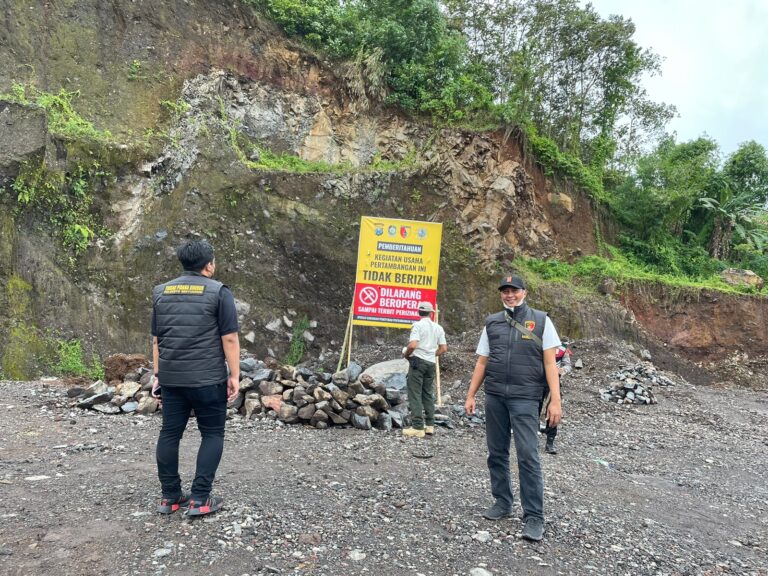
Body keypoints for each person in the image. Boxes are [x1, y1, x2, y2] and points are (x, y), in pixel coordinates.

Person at [464, 274, 562, 542]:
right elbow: (482, 362)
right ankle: (502, 501)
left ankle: (534, 516)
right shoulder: (492, 323)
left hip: (526, 397)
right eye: (505, 291)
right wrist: (471, 395)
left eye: (514, 290)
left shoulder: (541, 321)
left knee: (528, 455)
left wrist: (555, 400)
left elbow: (550, 363)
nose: (509, 295)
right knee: (496, 452)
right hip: (495, 396)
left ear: (524, 292)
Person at [151, 240, 240, 517]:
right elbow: (229, 338)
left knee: (169, 433)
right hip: (208, 379)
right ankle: (200, 498)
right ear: (209, 264)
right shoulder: (219, 292)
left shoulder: (161, 292)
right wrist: (235, 375)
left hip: (172, 378)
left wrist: (157, 375)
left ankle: (170, 497)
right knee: (212, 433)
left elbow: (156, 339)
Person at [402, 301, 448, 438]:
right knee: (427, 393)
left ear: (419, 312)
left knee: (415, 393)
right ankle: (429, 426)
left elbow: (412, 345)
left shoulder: (417, 325)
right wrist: (432, 355)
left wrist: (406, 355)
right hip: (431, 363)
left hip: (417, 362)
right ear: (431, 313)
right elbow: (443, 348)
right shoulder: (438, 328)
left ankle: (417, 427)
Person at [539, 338, 572, 454]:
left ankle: (550, 442)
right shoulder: (539, 343)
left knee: (553, 411)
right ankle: (532, 437)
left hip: (553, 383)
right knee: (534, 408)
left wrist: (561, 370)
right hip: (536, 381)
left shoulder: (563, 348)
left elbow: (568, 366)